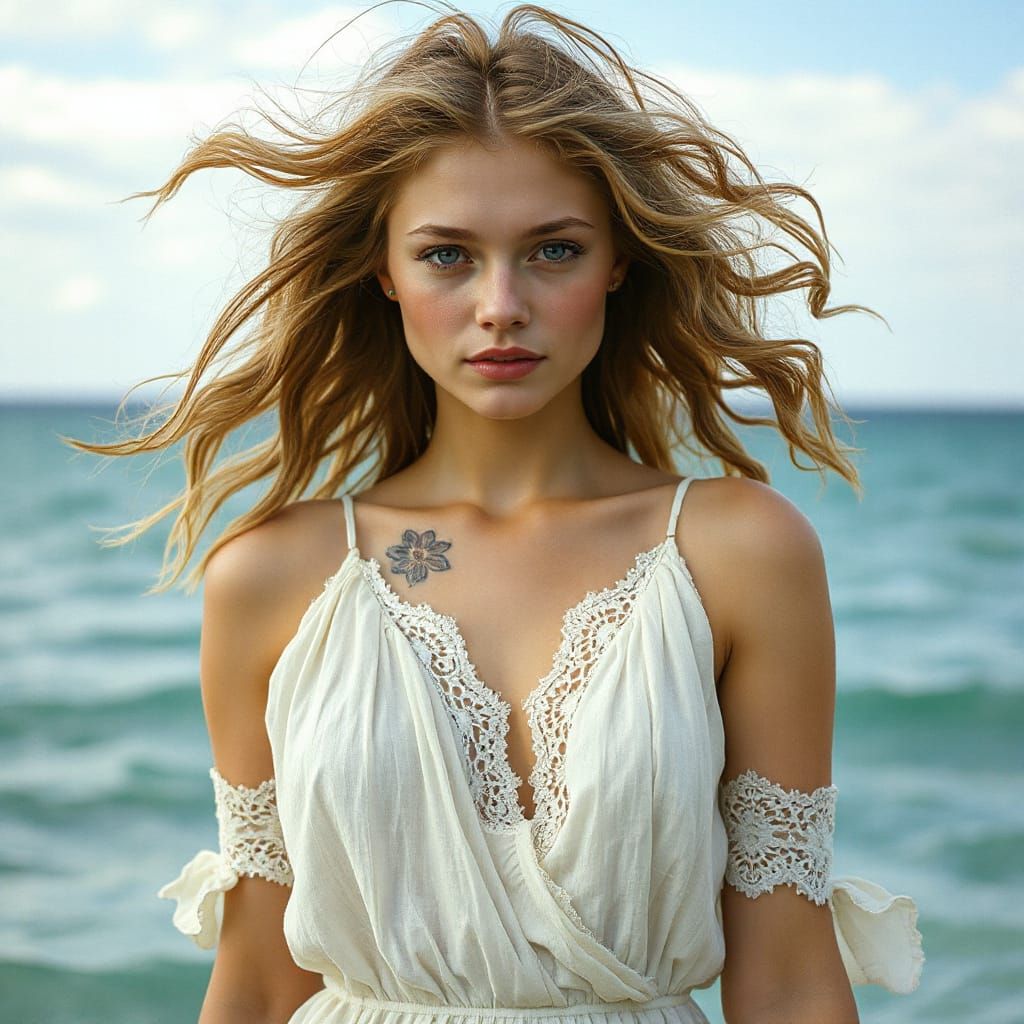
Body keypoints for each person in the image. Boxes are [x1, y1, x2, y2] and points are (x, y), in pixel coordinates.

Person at [69, 4, 924, 1022]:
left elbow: (784, 974)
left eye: (553, 251)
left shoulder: (739, 553)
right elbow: (257, 977)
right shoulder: (273, 578)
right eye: (447, 255)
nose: (500, 303)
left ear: (619, 262)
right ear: (382, 271)